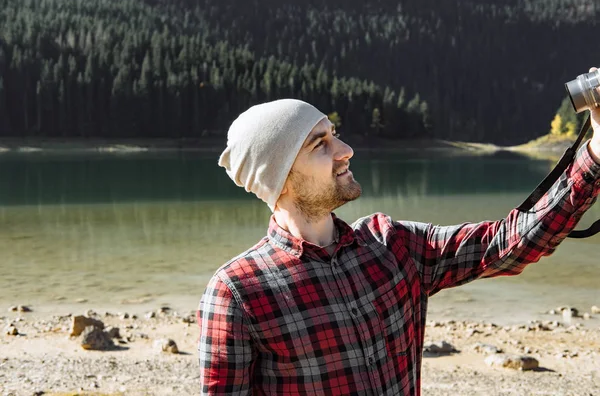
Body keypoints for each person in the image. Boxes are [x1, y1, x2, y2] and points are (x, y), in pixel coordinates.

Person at [197, 89, 600, 395]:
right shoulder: (236, 291)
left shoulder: (392, 245)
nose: (346, 150)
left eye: (334, 135)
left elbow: (509, 243)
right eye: (319, 145)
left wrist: (594, 155)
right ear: (280, 178)